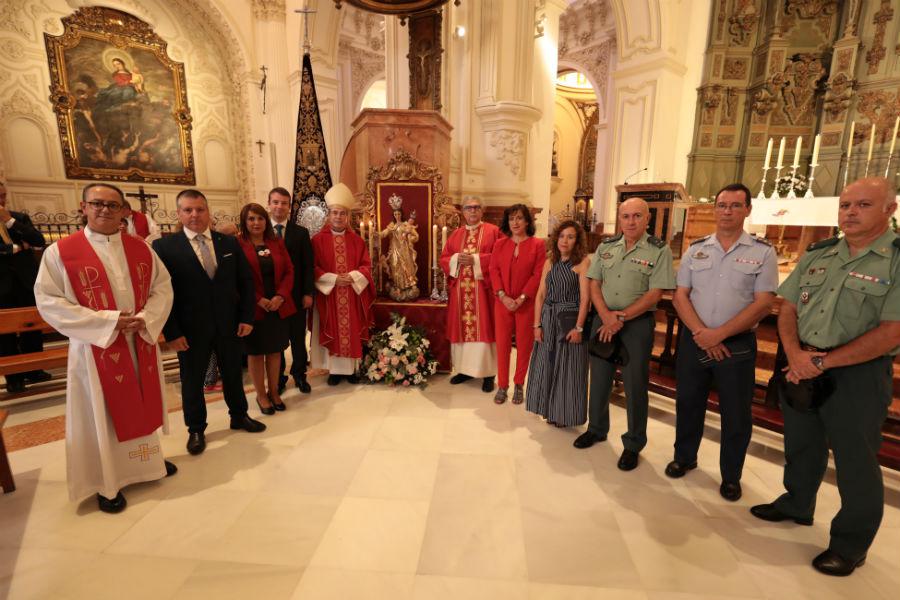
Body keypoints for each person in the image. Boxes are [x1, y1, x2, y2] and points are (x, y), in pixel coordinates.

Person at [751, 177, 900, 577]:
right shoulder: (820, 253)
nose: (850, 212)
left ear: (890, 209)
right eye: (846, 204)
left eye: (863, 205)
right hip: (802, 363)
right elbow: (786, 308)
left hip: (857, 376)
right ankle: (797, 503)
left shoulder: (895, 259)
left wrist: (822, 363)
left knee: (855, 460)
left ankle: (850, 545)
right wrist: (797, 354)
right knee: (801, 444)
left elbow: (892, 330)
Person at [34, 183, 176, 513]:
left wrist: (145, 318)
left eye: (113, 206)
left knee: (141, 401)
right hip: (95, 347)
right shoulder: (60, 252)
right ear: (83, 207)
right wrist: (109, 322)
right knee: (102, 413)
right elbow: (49, 302)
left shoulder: (141, 249)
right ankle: (107, 482)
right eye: (97, 204)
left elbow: (162, 289)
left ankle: (149, 464)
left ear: (124, 211)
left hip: (138, 340)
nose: (104, 210)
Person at [668, 183, 778, 501]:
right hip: (695, 339)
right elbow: (680, 296)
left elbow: (763, 303)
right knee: (688, 403)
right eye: (721, 205)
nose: (726, 211)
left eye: (734, 205)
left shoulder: (762, 252)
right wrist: (703, 334)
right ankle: (685, 457)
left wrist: (719, 334)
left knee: (736, 413)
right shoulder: (696, 249)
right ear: (714, 209)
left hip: (737, 344)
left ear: (747, 210)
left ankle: (731, 476)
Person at [153, 189, 265, 456]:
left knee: (232, 374)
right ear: (179, 214)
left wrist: (247, 317)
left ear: (208, 211)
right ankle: (195, 429)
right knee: (192, 380)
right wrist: (172, 332)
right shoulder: (164, 247)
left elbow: (245, 282)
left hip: (228, 324)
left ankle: (239, 415)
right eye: (188, 210)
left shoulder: (228, 243)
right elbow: (161, 293)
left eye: (200, 209)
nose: (195, 215)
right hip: (190, 330)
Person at [573, 197, 675, 472]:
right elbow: (594, 282)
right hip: (604, 320)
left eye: (636, 216)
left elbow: (656, 292)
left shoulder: (659, 250)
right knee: (600, 378)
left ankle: (633, 443)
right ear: (619, 219)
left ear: (647, 218)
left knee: (634, 385)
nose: (630, 221)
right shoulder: (606, 247)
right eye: (625, 216)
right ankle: (596, 428)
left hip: (636, 325)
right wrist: (606, 315)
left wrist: (622, 317)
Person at [526, 221, 591, 426]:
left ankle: (564, 414)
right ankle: (548, 408)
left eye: (570, 237)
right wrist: (537, 325)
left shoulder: (583, 262)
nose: (565, 240)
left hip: (568, 320)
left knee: (567, 367)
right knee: (547, 363)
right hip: (548, 318)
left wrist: (579, 327)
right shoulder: (550, 261)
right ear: (556, 238)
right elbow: (540, 295)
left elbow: (585, 299)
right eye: (562, 236)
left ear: (577, 240)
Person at [310, 183, 375, 386]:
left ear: (348, 217)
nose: (338, 217)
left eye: (342, 214)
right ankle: (335, 372)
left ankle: (351, 371)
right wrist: (333, 278)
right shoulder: (317, 241)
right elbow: (313, 267)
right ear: (329, 215)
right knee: (333, 329)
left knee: (351, 329)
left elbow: (366, 266)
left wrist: (354, 276)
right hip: (330, 296)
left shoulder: (357, 241)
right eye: (335, 213)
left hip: (351, 295)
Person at [237, 202, 296, 414]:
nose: (256, 222)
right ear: (244, 221)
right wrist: (258, 299)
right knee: (255, 354)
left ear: (266, 220)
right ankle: (260, 395)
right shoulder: (238, 244)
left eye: (260, 218)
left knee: (275, 351)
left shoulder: (276, 242)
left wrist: (281, 296)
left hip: (278, 307)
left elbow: (289, 271)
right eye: (251, 218)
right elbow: (236, 279)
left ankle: (274, 392)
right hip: (254, 308)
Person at [440, 196, 502, 393]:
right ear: (463, 212)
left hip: (483, 294)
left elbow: (500, 257)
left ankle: (488, 374)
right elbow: (444, 258)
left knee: (485, 330)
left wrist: (475, 260)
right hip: (461, 294)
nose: (473, 211)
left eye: (476, 208)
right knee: (463, 331)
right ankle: (465, 370)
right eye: (469, 208)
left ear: (482, 210)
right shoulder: (456, 235)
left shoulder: (493, 231)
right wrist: (457, 259)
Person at [488, 204, 545, 404]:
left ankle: (519, 383)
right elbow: (493, 270)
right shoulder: (499, 244)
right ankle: (502, 385)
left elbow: (538, 275)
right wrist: (503, 296)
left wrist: (521, 298)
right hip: (502, 303)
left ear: (527, 221)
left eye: (520, 218)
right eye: (512, 218)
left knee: (524, 345)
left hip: (526, 304)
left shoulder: (538, 245)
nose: (515, 222)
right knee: (502, 344)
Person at [0, 180, 51, 394]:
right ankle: (14, 376)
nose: (1, 200)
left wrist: (10, 221)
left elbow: (39, 241)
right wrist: (17, 247)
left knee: (32, 325)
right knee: (4, 334)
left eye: (3, 195)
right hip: (1, 285)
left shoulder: (19, 219)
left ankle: (34, 369)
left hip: (26, 281)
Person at [267, 187, 314, 394]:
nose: (279, 206)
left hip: (295, 297)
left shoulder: (300, 233)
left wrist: (307, 293)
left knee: (297, 339)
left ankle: (299, 375)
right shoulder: (261, 232)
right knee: (276, 341)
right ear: (269, 204)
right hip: (271, 299)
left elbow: (307, 265)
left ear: (289, 207)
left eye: (284, 203)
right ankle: (278, 379)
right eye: (275, 202)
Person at [379, 197, 420, 301]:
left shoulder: (406, 225)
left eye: (399, 214)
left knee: (407, 268)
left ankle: (408, 286)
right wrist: (374, 234)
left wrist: (409, 235)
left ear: (401, 214)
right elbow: (383, 233)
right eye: (395, 214)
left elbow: (416, 236)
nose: (397, 215)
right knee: (396, 269)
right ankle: (398, 288)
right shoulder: (391, 226)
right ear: (393, 215)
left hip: (405, 251)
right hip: (395, 252)